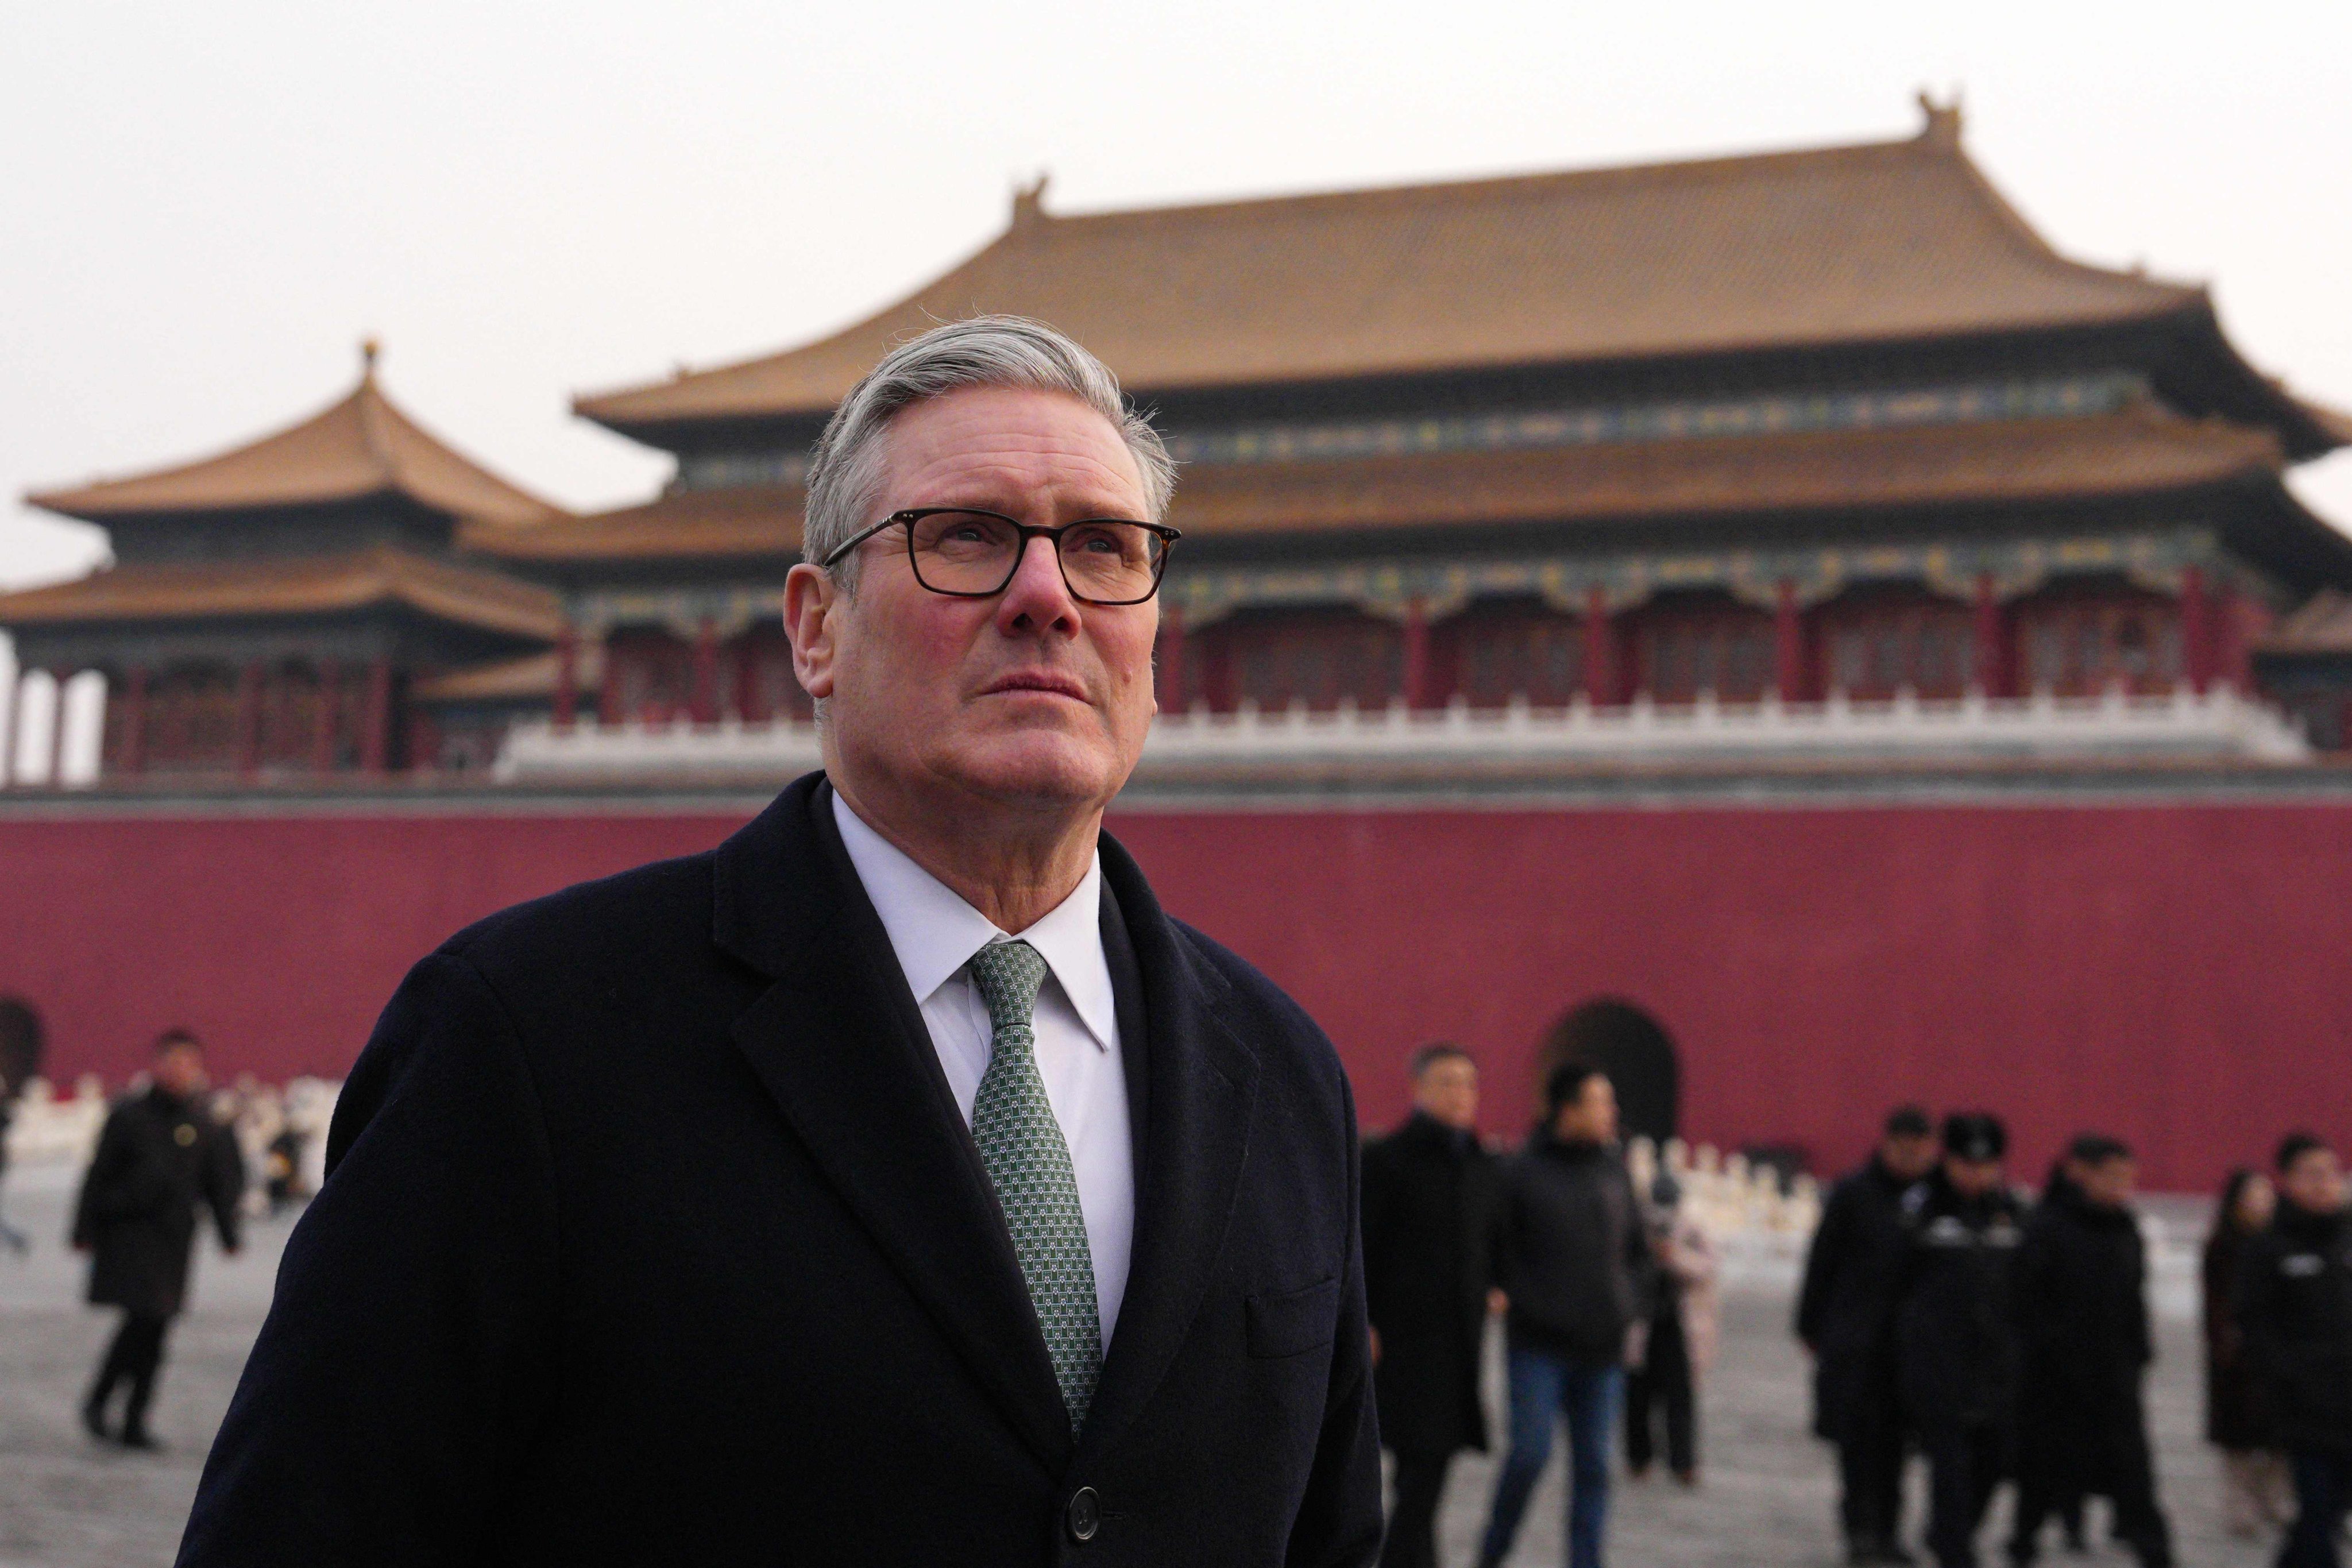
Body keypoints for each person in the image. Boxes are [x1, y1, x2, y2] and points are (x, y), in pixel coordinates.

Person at [177, 317, 1382, 1565]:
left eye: (1102, 549)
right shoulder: (531, 1037)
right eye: (964, 535)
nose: (1045, 597)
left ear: (1152, 647)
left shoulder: (1281, 1072)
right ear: (814, 629)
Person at [1477, 1062, 1651, 1568]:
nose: (1611, 1113)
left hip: (1603, 1347)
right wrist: (1509, 1294)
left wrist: (1630, 1302)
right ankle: (1493, 1551)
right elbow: (1494, 1246)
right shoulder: (1519, 1171)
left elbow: (1637, 1249)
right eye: (1602, 1102)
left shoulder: (1614, 1168)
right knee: (1529, 1455)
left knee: (1595, 1467)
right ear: (1568, 1109)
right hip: (1538, 1343)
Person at [70, 1028, 244, 1450]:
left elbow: (218, 1182)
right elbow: (99, 1174)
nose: (182, 1071)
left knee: (152, 1327)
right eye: (174, 1062)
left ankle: (120, 1410)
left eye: (189, 1063)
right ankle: (119, 1411)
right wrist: (84, 1230)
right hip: (130, 1236)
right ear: (156, 1064)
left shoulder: (203, 1121)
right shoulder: (129, 1116)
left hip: (173, 1241)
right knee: (144, 1322)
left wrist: (228, 1233)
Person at [2007, 1135, 2173, 1567]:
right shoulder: (2045, 1226)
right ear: (2080, 1172)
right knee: (2042, 1474)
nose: (2122, 1187)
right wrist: (2048, 1356)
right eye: (2113, 1177)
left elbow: (2132, 1301)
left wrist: (2138, 1355)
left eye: (2128, 1178)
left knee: (2134, 1476)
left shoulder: (2125, 1229)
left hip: (2115, 1379)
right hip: (2054, 1382)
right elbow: (2024, 1303)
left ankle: (2156, 1554)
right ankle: (2021, 1546)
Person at [1362, 1044, 1497, 1568]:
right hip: (1400, 1340)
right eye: (1446, 1082)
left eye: (1468, 1083)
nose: (1459, 1094)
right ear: (1418, 1089)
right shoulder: (1386, 1160)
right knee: (1418, 1473)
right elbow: (1362, 1246)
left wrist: (1500, 1283)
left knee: (1426, 1473)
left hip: (1459, 1341)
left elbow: (1496, 1239)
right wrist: (1364, 1321)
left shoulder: (1482, 1164)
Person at [1798, 1103, 1941, 1564]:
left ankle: (1888, 1533)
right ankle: (1858, 1530)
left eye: (1919, 1149)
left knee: (1897, 1449)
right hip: (1856, 1343)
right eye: (1903, 1147)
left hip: (1912, 1348)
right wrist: (1810, 1325)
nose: (1911, 1157)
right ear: (1886, 1143)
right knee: (1858, 1445)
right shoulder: (1853, 1193)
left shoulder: (1936, 1198)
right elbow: (1822, 1263)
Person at [1894, 1111, 2026, 1568]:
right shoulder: (1918, 1210)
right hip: (1937, 1365)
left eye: (1986, 1165)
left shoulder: (2011, 1212)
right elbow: (1892, 1288)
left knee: (1994, 1464)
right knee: (1948, 1470)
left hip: (1996, 1367)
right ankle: (1955, 1555)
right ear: (1947, 1160)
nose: (1976, 1173)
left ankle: (1946, 1535)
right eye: (1966, 1164)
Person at [2238, 1132, 2352, 1568]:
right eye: (2312, 1175)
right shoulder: (2268, 1248)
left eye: (2331, 1173)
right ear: (2287, 1181)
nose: (2325, 1183)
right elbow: (2254, 1326)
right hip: (2303, 1411)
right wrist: (2285, 1381)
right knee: (2319, 1518)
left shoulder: (2344, 1241)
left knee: (2323, 1519)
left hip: (2346, 1404)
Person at [2205, 1167, 2291, 1538]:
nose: (2263, 1202)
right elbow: (2215, 1305)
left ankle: (2275, 1500)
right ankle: (2240, 1507)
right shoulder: (2223, 1245)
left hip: (2279, 1351)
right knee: (2238, 1438)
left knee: (2280, 1432)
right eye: (2255, 1195)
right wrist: (2227, 1343)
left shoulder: (2281, 1242)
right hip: (2234, 1354)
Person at [1623, 1172, 1718, 1486]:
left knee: (1681, 1399)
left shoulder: (1691, 1230)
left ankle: (1683, 1462)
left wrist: (1674, 1256)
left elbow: (1708, 1266)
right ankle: (1639, 1458)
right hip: (1643, 1322)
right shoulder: (1636, 1227)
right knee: (1637, 1397)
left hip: (1681, 1325)